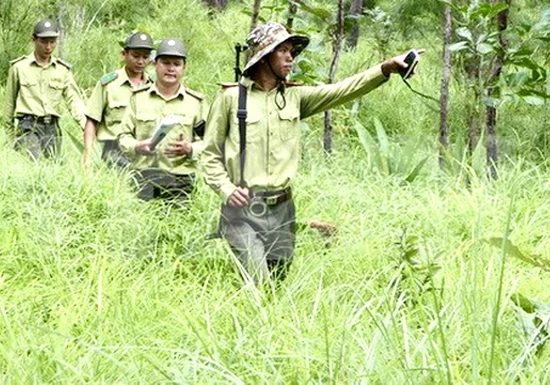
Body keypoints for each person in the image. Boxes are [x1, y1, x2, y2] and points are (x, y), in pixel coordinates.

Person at [200, 21, 423, 283]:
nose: (290, 56)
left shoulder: (295, 98)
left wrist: (385, 68)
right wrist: (226, 189)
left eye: (291, 51)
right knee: (258, 282)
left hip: (282, 209)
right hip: (242, 212)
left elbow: (341, 91)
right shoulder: (230, 99)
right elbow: (209, 153)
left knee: (277, 284)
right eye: (282, 50)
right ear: (263, 57)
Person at [118, 38, 207, 201]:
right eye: (165, 63)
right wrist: (137, 146)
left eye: (176, 64)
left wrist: (190, 148)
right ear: (155, 64)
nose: (171, 69)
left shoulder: (196, 103)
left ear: (184, 67)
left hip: (181, 179)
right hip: (143, 178)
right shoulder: (138, 98)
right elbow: (123, 137)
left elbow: (210, 143)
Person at [4, 18, 86, 160]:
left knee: (53, 168)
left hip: (52, 128)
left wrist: (85, 124)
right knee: (33, 163)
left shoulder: (62, 69)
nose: (48, 47)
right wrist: (9, 136)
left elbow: (74, 99)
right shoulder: (19, 67)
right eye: (43, 41)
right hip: (28, 127)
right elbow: (9, 103)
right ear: (34, 40)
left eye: (52, 41)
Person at [83, 31, 154, 168]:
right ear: (124, 54)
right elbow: (92, 120)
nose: (140, 61)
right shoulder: (109, 84)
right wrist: (88, 155)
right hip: (114, 150)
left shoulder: (153, 86)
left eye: (145, 57)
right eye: (136, 56)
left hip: (143, 149)